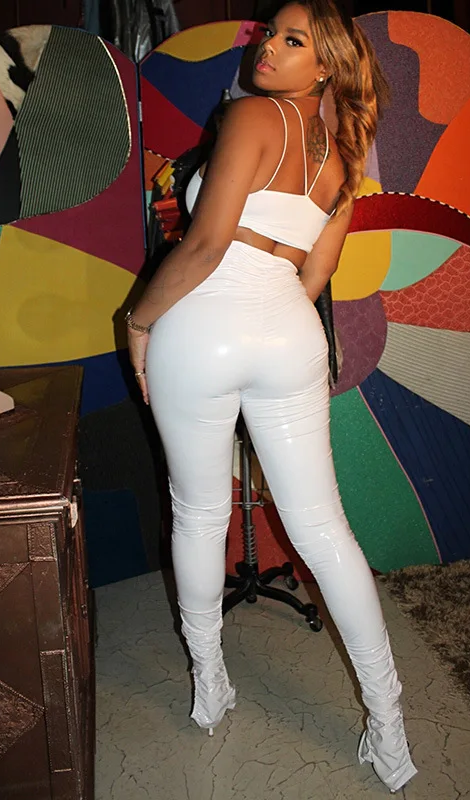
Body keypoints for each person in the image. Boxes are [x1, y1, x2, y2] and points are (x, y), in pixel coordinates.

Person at [125, 0, 417, 792]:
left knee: (198, 513)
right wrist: (275, 319)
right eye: (269, 34)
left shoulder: (254, 116)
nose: (268, 49)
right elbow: (313, 276)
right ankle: (389, 731)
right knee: (325, 530)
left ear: (324, 67)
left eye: (293, 41)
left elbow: (206, 244)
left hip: (205, 325)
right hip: (291, 332)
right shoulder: (343, 163)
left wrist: (138, 321)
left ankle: (211, 686)